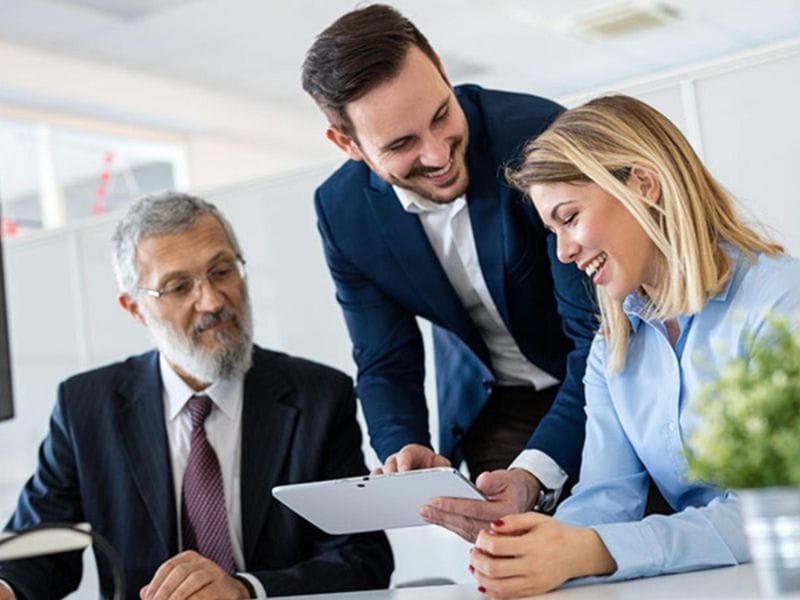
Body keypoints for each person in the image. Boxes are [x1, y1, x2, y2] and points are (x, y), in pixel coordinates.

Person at [466, 94, 800, 598]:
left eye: (570, 217)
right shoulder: (612, 351)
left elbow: (779, 509)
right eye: (552, 230)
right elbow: (606, 497)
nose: (563, 250)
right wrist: (533, 544)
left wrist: (591, 550)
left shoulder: (780, 305)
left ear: (644, 185)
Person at [0, 192, 393, 600]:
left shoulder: (319, 397)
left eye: (222, 272)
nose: (211, 300)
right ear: (134, 308)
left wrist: (246, 591)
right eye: (178, 286)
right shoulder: (85, 406)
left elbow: (361, 558)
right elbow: (38, 547)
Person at [302, 4, 597, 541]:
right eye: (400, 145)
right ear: (348, 145)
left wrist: (539, 471)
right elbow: (385, 360)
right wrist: (402, 450)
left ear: (440, 66)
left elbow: (596, 339)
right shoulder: (342, 211)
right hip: (494, 410)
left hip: (602, 384)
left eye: (441, 115)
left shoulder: (540, 137)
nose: (437, 154)